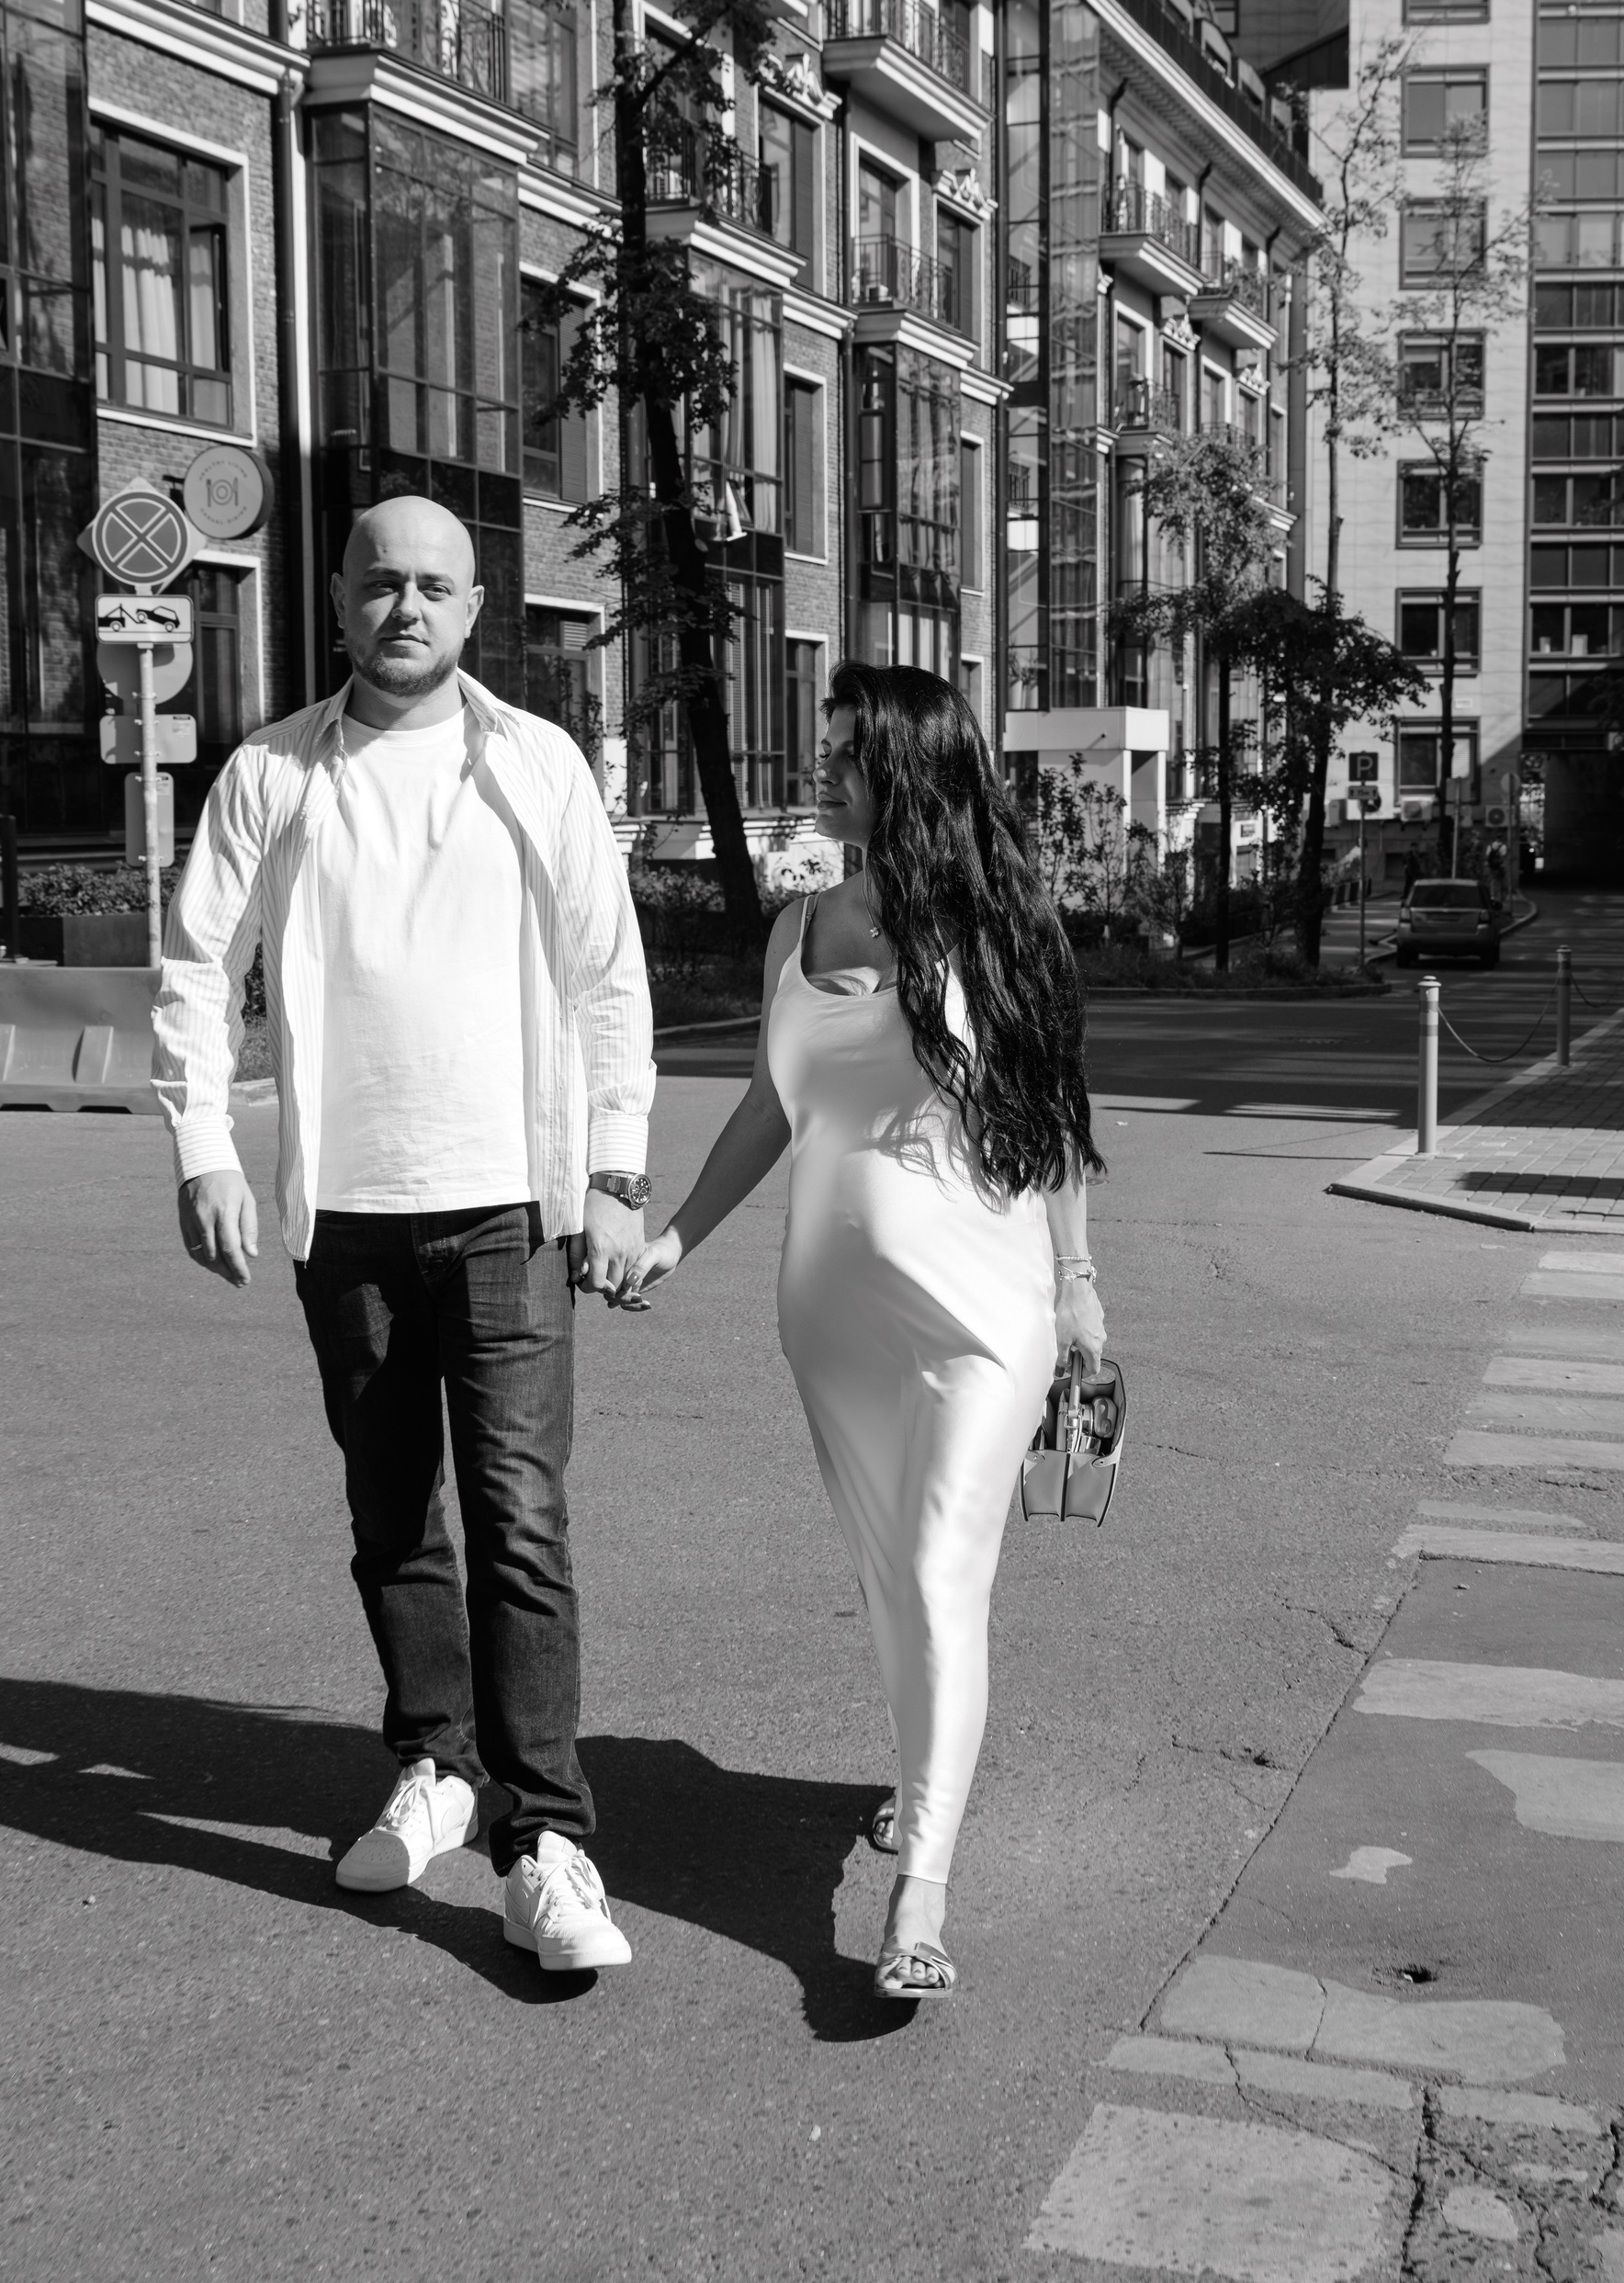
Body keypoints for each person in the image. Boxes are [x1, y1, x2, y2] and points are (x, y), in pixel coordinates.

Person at [152, 496, 653, 1975]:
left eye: (436, 585)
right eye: (382, 582)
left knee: (520, 1520)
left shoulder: (536, 764)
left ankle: (546, 1839)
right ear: (338, 597)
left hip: (511, 1208)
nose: (407, 607)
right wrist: (202, 1148)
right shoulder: (271, 773)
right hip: (347, 1215)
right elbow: (197, 965)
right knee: (390, 1516)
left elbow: (609, 978)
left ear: (477, 606)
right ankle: (438, 1763)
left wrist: (616, 1177)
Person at [626, 664, 1106, 2002]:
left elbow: (1056, 1117)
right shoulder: (797, 927)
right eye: (828, 749)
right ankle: (921, 1773)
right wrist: (675, 1236)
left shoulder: (1002, 924)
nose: (824, 772)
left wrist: (1077, 1281)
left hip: (983, 1306)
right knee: (893, 1574)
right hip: (829, 1315)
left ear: (912, 772)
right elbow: (771, 1108)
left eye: (848, 754)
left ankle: (920, 1895)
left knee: (945, 1566)